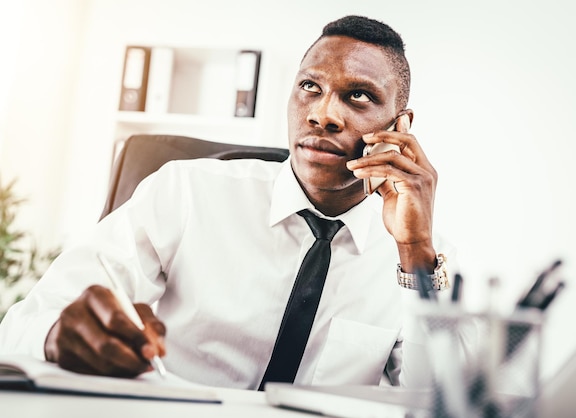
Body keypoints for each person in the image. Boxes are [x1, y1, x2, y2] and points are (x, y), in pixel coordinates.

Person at [0, 15, 455, 390]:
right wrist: (58, 336)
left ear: (400, 124)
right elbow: (23, 326)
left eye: (358, 96)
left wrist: (416, 255)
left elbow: (444, 397)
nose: (323, 114)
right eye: (310, 87)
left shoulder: (411, 256)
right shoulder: (185, 193)